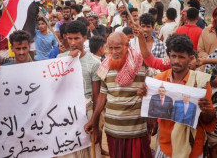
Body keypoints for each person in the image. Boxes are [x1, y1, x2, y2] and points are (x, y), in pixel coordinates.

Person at [139, 34, 215, 158]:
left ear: (190, 58)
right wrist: (144, 95)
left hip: (192, 149)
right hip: (165, 146)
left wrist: (205, 109)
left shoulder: (200, 83)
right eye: (173, 56)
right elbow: (153, 109)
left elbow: (208, 120)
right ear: (169, 55)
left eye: (181, 57)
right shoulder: (160, 80)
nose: (176, 61)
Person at [84, 32, 152, 158]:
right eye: (111, 48)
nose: (114, 52)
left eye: (118, 48)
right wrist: (93, 120)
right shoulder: (105, 66)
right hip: (113, 129)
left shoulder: (140, 62)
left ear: (126, 45)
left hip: (136, 128)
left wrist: (152, 120)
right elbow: (102, 96)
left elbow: (153, 89)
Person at [58, 20, 102, 157]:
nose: (72, 42)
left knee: (88, 151)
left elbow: (96, 96)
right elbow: (56, 86)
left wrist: (95, 122)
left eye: (76, 38)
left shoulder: (94, 63)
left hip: (86, 113)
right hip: (65, 114)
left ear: (84, 38)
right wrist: (67, 62)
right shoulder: (60, 59)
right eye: (69, 38)